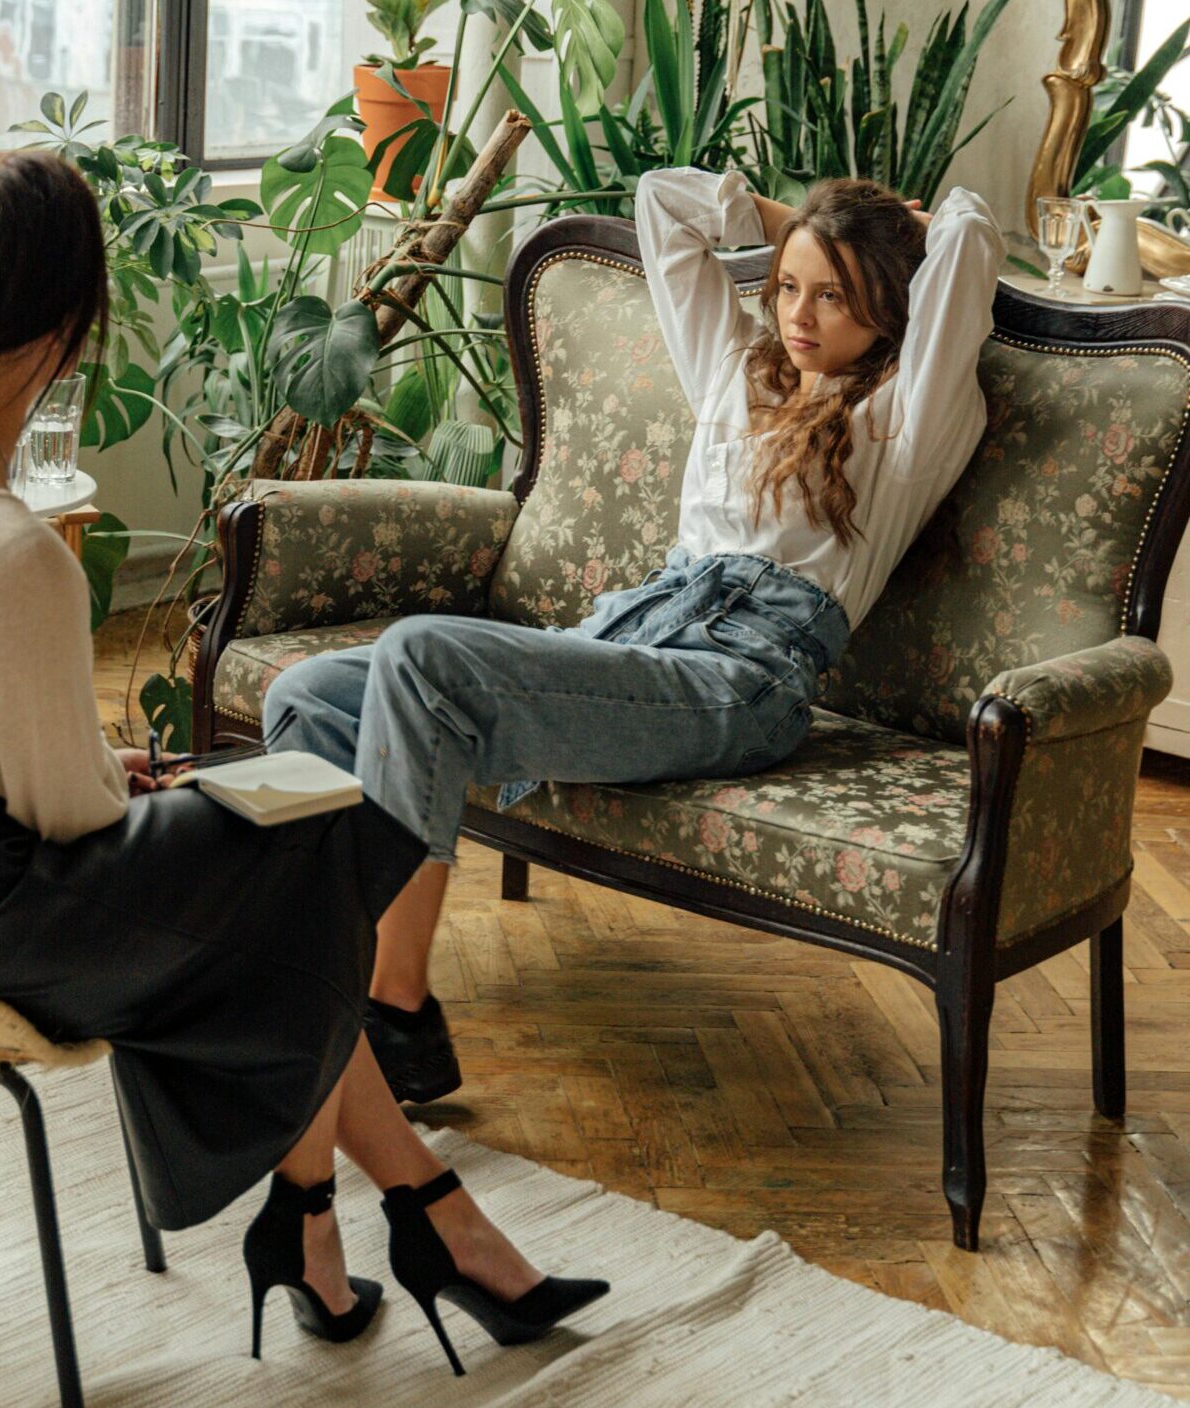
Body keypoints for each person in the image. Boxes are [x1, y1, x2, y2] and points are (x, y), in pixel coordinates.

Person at [0, 150, 606, 1377]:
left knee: (288, 858)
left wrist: (120, 782)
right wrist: (133, 782)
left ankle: (379, 1224)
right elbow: (72, 814)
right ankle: (399, 1223)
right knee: (305, 857)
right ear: (65, 325)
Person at [264, 165, 1007, 1104]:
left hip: (741, 679)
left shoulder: (908, 414)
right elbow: (664, 201)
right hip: (637, 637)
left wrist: (880, 230)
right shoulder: (737, 373)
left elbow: (971, 242)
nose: (799, 315)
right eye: (787, 285)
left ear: (890, 307)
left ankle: (395, 1017)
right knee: (305, 697)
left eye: (833, 295)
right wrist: (804, 227)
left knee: (420, 656)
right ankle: (312, 977)